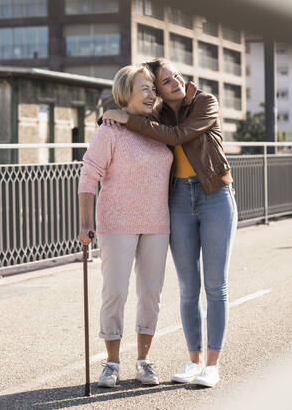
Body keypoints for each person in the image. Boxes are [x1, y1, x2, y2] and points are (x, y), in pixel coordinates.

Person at [102, 58, 237, 388]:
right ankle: (194, 361)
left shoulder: (205, 101)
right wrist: (113, 114)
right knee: (188, 287)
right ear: (159, 90)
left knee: (215, 285)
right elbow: (129, 110)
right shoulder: (157, 112)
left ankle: (212, 365)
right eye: (165, 80)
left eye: (176, 75)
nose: (175, 81)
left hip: (215, 194)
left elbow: (178, 136)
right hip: (178, 198)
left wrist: (129, 120)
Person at [77, 65, 173, 387]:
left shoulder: (160, 128)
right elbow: (89, 175)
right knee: (115, 293)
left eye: (152, 89)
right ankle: (112, 364)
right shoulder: (109, 131)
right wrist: (86, 223)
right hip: (116, 222)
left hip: (157, 222)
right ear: (125, 94)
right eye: (143, 88)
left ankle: (144, 361)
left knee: (151, 294)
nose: (151, 94)